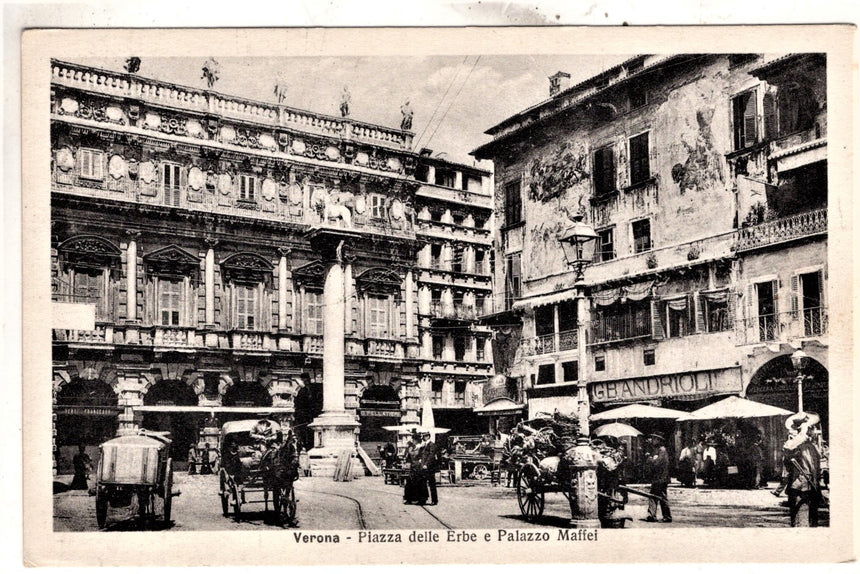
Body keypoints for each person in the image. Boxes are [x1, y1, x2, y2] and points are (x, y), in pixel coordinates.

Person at [773, 412, 822, 527]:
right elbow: (788, 447)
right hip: (801, 488)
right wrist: (803, 434)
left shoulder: (811, 445)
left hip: (813, 487)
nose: (814, 430)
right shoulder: (795, 444)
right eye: (811, 427)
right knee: (801, 522)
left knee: (813, 524)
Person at [643, 433, 672, 523]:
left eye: (654, 439)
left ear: (658, 440)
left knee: (659, 497)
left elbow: (656, 463)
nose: (652, 440)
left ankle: (665, 516)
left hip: (661, 478)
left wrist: (649, 458)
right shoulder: (658, 450)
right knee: (655, 496)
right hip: (659, 478)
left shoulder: (662, 450)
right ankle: (653, 515)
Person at [419, 431, 439, 506]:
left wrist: (426, 464)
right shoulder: (424, 445)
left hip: (429, 468)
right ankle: (423, 499)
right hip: (424, 467)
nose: (423, 438)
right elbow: (423, 455)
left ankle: (434, 500)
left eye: (424, 436)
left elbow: (431, 456)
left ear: (427, 436)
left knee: (432, 484)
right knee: (423, 483)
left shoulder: (432, 445)